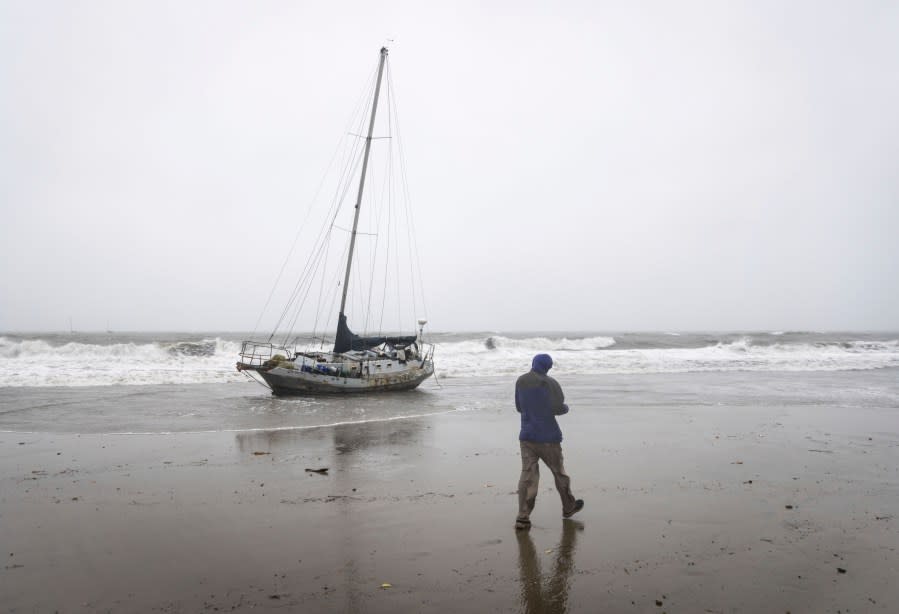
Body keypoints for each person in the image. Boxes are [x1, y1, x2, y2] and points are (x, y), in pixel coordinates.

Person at [515, 353, 583, 530]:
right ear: (548, 366)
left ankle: (523, 517)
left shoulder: (521, 381)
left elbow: (519, 407)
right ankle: (568, 508)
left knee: (527, 476)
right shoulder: (551, 383)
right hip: (548, 438)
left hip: (527, 436)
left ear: (533, 363)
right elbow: (558, 408)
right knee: (559, 473)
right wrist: (566, 408)